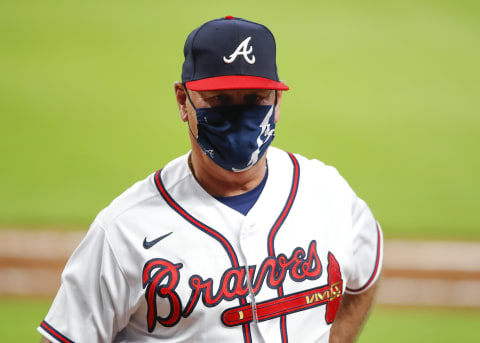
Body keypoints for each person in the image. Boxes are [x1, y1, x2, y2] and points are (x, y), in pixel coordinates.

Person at [38, 16, 383, 343]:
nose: (238, 114)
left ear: (278, 102)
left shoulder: (328, 192)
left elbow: (364, 278)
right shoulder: (123, 230)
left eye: (254, 99)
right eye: (219, 99)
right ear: (182, 101)